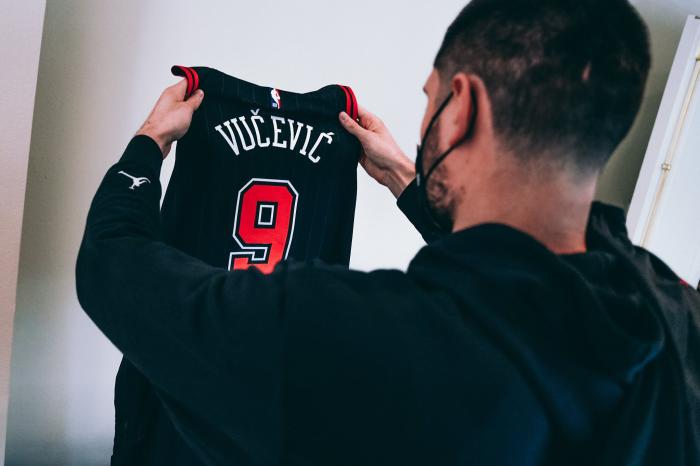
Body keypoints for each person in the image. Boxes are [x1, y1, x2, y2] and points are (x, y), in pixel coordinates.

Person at [76, 0, 700, 464]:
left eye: (430, 100)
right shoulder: (673, 310)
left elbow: (112, 266)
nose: (423, 121)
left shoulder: (341, 330)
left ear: (462, 106)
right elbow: (519, 279)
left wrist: (149, 144)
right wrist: (406, 176)